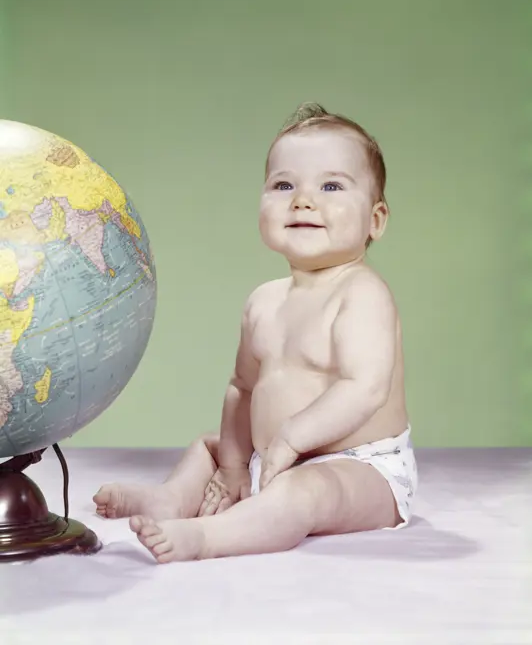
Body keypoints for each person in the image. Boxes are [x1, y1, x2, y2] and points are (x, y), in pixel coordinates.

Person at [93, 102, 418, 562]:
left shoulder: (362, 293)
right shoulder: (264, 301)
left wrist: (290, 438)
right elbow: (241, 388)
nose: (303, 199)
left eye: (331, 185)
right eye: (284, 184)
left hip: (361, 467)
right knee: (211, 446)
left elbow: (364, 388)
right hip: (276, 457)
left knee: (305, 493)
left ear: (375, 220)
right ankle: (170, 499)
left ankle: (207, 537)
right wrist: (231, 466)